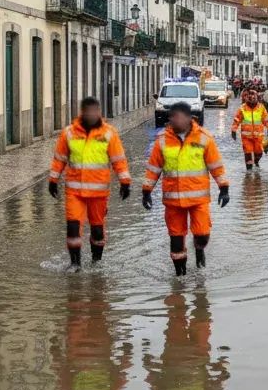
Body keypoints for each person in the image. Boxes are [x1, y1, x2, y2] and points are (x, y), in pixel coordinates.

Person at [142, 102, 229, 276]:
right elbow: (153, 169)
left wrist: (224, 188)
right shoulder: (162, 141)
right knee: (176, 241)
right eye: (173, 117)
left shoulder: (204, 138)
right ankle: (180, 278)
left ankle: (199, 251)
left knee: (202, 234)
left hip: (198, 200)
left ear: (190, 118)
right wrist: (146, 191)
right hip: (173, 201)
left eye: (179, 117)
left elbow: (216, 165)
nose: (176, 120)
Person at [48, 96, 131, 268]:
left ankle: (96, 262)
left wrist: (125, 181)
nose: (93, 114)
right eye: (89, 111)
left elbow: (118, 160)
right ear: (82, 113)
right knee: (72, 227)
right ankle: (75, 264)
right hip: (74, 191)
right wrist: (53, 180)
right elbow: (60, 158)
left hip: (99, 192)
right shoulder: (69, 133)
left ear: (99, 112)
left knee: (98, 230)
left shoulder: (109, 133)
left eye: (95, 111)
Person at [231, 88, 268, 170]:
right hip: (246, 137)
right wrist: (233, 130)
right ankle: (249, 171)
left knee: (259, 152)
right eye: (250, 99)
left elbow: (266, 120)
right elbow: (237, 120)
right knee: (247, 153)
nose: (252, 101)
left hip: (258, 136)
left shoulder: (261, 108)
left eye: (253, 99)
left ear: (256, 99)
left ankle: (256, 161)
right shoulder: (242, 108)